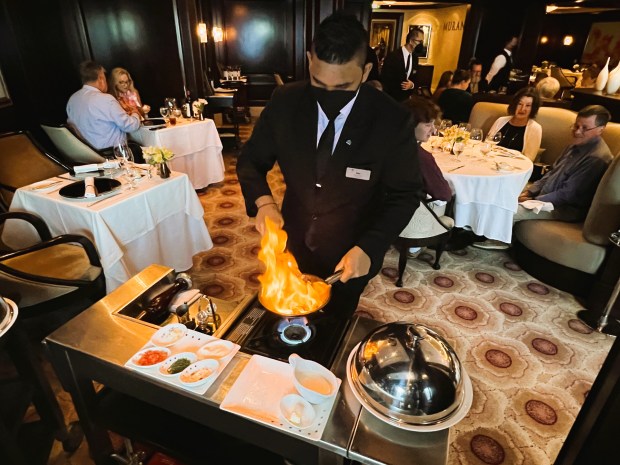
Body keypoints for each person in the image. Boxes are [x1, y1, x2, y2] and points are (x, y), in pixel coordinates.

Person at [236, 12, 423, 318]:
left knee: (335, 322)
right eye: (319, 83)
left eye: (342, 87)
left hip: (352, 252)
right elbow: (250, 161)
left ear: (365, 72)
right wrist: (264, 202)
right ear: (310, 60)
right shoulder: (285, 102)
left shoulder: (391, 120)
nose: (328, 97)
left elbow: (405, 195)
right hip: (293, 241)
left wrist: (370, 247)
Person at [474, 105, 613, 250]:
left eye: (585, 128)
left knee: (509, 208)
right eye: (576, 125)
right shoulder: (575, 144)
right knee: (502, 190)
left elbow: (567, 195)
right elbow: (552, 172)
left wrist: (535, 200)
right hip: (547, 195)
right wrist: (531, 191)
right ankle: (478, 228)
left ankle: (501, 241)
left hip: (563, 207)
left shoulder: (596, 158)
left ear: (600, 129)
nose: (577, 131)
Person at [67, 61, 141, 150]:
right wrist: (136, 113)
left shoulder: (73, 99)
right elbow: (129, 126)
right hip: (113, 155)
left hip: (86, 154)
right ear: (101, 78)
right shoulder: (106, 99)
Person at [402, 96, 452, 202]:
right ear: (410, 125)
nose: (433, 130)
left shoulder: (384, 142)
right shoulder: (419, 156)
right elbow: (444, 194)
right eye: (428, 125)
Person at [486, 86, 542, 161]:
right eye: (520, 104)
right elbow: (487, 144)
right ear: (514, 104)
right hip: (491, 162)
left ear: (533, 109)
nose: (523, 109)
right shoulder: (500, 121)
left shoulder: (535, 128)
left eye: (528, 105)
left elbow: (529, 159)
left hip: (515, 169)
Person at [380, 27, 425, 102]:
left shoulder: (415, 58)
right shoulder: (393, 56)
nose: (421, 44)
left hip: (406, 101)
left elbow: (415, 78)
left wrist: (412, 85)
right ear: (411, 41)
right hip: (391, 99)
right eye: (419, 41)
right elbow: (385, 79)